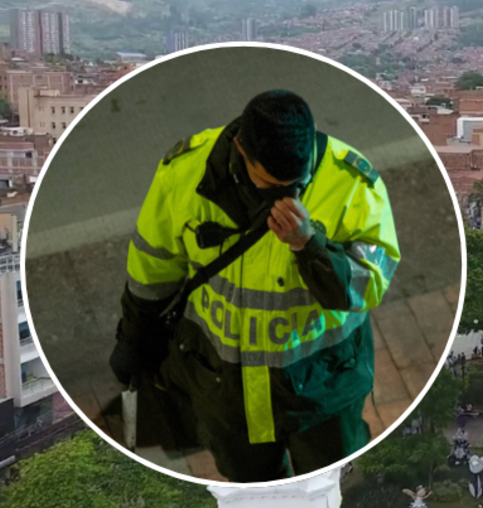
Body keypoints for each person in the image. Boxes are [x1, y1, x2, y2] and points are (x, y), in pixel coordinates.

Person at [110, 90, 401, 482]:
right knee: (252, 491)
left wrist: (309, 246)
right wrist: (133, 339)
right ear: (240, 148)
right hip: (223, 388)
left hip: (323, 387)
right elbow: (152, 267)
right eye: (269, 185)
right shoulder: (184, 173)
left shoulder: (352, 183)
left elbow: (367, 288)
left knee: (330, 482)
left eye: (295, 184)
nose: (284, 197)